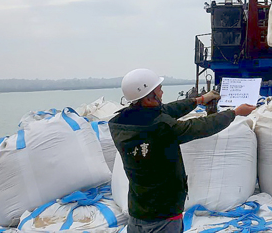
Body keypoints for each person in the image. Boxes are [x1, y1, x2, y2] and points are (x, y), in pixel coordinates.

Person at [109, 68, 255, 233]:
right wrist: (234, 113)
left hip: (137, 212)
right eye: (159, 90)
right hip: (163, 216)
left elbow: (167, 110)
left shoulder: (120, 123)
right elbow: (199, 127)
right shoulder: (161, 128)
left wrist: (199, 100)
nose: (162, 92)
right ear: (149, 98)